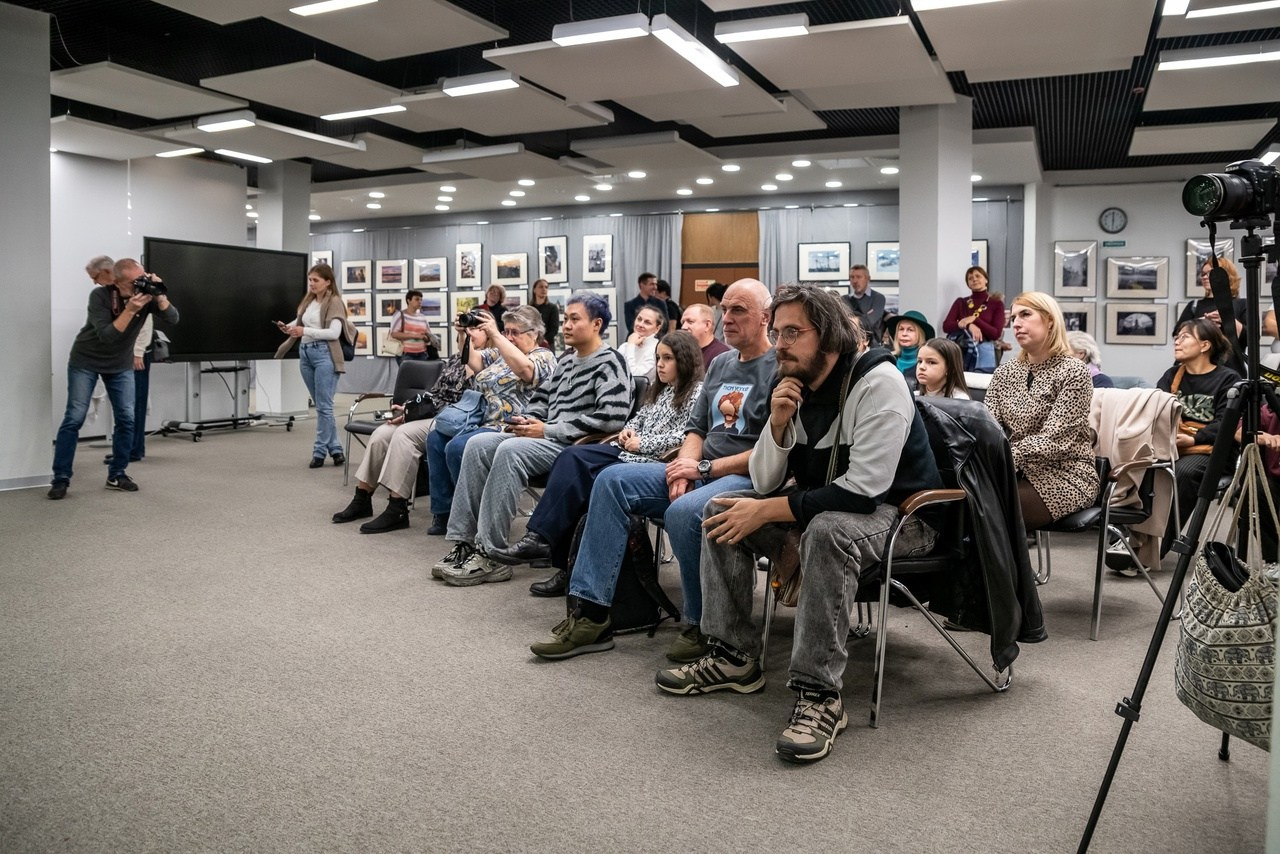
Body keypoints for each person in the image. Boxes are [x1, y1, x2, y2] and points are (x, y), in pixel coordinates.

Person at [653, 286, 943, 765]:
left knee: (828, 529)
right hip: (833, 508)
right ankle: (734, 656)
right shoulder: (795, 382)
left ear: (827, 337)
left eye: (792, 332)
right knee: (721, 508)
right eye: (777, 331)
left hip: (906, 516)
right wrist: (781, 424)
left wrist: (767, 511)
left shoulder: (879, 382)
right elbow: (766, 479)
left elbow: (863, 492)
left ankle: (820, 693)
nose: (780, 343)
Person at [526, 279, 776, 662]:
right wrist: (683, 466)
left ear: (765, 318)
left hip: (743, 475)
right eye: (724, 309)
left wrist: (700, 467)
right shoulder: (722, 363)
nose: (727, 318)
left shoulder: (778, 368)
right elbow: (697, 428)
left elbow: (770, 451)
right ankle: (591, 614)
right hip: (701, 465)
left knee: (684, 512)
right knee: (610, 480)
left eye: (738, 310)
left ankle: (698, 622)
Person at [433, 293, 631, 586]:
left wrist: (548, 429)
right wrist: (527, 420)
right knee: (477, 444)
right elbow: (540, 398)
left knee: (511, 451)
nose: (565, 325)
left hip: (575, 446)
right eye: (565, 319)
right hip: (546, 438)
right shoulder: (566, 361)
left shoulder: (610, 361)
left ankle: (491, 553)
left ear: (597, 324)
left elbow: (611, 418)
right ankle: (465, 542)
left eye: (574, 319)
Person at [490, 331, 705, 594]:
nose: (660, 364)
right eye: (658, 357)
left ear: (684, 360)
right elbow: (638, 420)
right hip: (627, 451)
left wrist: (643, 444)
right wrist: (628, 432)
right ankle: (547, 546)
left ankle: (548, 547)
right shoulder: (659, 390)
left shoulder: (697, 392)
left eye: (667, 358)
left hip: (652, 460)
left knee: (581, 472)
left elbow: (688, 435)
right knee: (571, 458)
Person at [49, 258, 179, 499]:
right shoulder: (99, 297)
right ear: (118, 282)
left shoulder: (146, 295)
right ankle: (61, 478)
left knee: (126, 418)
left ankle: (117, 474)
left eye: (143, 278)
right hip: (85, 361)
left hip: (119, 364)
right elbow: (108, 336)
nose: (141, 284)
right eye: (134, 281)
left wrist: (159, 294)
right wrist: (130, 310)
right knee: (74, 418)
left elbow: (173, 318)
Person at [424, 306, 557, 535]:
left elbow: (526, 371)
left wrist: (495, 334)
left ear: (534, 333)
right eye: (507, 331)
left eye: (515, 332)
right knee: (436, 439)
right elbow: (473, 362)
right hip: (483, 422)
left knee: (457, 447)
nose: (509, 337)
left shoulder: (543, 356)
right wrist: (464, 333)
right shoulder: (501, 354)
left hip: (512, 427)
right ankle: (444, 511)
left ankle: (473, 516)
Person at [983, 292, 1097, 530]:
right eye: (1013, 317)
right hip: (1012, 473)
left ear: (1050, 321)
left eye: (1025, 314)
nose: (1016, 323)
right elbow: (986, 427)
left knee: (984, 509)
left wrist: (1001, 459)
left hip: (1065, 476)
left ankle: (1011, 569)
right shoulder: (1004, 373)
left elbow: (1053, 440)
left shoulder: (1074, 371)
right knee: (959, 499)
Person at [330, 344, 472, 532]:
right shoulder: (455, 358)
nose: (468, 333)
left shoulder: (488, 360)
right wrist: (410, 409)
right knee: (381, 434)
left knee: (404, 434)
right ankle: (362, 498)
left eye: (475, 329)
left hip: (455, 418)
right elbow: (433, 394)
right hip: (432, 413)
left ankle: (397, 508)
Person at [1157, 318, 1241, 553]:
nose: (1177, 341)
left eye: (1185, 336)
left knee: (1182, 472)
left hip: (1212, 452)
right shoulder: (1172, 375)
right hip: (1174, 445)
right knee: (1138, 465)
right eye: (1177, 336)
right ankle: (1132, 538)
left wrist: (1195, 438)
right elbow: (1155, 409)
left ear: (1205, 345)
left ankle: (1158, 545)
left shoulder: (1228, 379)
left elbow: (1227, 422)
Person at [274, 263, 353, 469]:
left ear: (328, 282)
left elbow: (333, 333)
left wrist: (304, 331)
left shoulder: (334, 302)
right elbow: (301, 322)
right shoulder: (308, 301)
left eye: (315, 280)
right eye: (310, 280)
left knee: (324, 406)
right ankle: (336, 449)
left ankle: (319, 452)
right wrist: (289, 327)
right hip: (306, 354)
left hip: (324, 354)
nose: (311, 284)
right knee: (322, 406)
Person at [1177, 257, 1248, 374]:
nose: (1204, 277)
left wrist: (1228, 319)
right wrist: (1204, 322)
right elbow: (1178, 333)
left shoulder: (1241, 304)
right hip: (1195, 372)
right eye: (1203, 274)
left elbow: (1250, 338)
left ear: (1226, 276)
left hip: (1231, 370)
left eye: (1210, 273)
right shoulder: (1194, 305)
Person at [942, 266, 1005, 374]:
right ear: (968, 284)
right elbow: (947, 326)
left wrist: (975, 319)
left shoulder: (996, 303)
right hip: (961, 350)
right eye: (970, 278)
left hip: (986, 350)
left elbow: (995, 334)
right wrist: (968, 325)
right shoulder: (961, 302)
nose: (974, 279)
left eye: (978, 276)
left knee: (983, 386)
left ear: (986, 280)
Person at [388, 290, 439, 363]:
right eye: (417, 299)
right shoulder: (400, 315)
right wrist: (415, 336)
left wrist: (426, 338)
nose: (420, 302)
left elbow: (428, 334)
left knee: (423, 374)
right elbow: (394, 334)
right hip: (406, 354)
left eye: (421, 299)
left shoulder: (422, 317)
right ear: (409, 300)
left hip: (422, 354)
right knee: (408, 374)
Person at [841, 264, 886, 343]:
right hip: (850, 343)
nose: (855, 281)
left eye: (858, 277)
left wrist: (851, 320)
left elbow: (870, 322)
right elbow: (842, 324)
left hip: (872, 344)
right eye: (852, 277)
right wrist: (864, 316)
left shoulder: (878, 298)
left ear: (868, 279)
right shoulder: (844, 299)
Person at [887, 310, 934, 383]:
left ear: (920, 334)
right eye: (901, 329)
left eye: (910, 330)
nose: (904, 334)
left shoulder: (929, 364)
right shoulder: (888, 360)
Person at [680, 303, 732, 369]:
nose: (683, 327)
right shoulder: (684, 352)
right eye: (682, 322)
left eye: (690, 322)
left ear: (707, 325)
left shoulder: (721, 356)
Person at [620, 304, 665, 378]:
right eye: (639, 319)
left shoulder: (657, 349)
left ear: (657, 328)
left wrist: (631, 345)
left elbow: (635, 378)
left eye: (647, 322)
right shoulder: (624, 346)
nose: (640, 324)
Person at [529, 278, 559, 349]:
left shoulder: (552, 308)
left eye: (546, 287)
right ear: (534, 290)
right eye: (541, 287)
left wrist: (543, 340)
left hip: (547, 343)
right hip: (531, 343)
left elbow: (554, 329)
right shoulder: (529, 308)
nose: (544, 289)